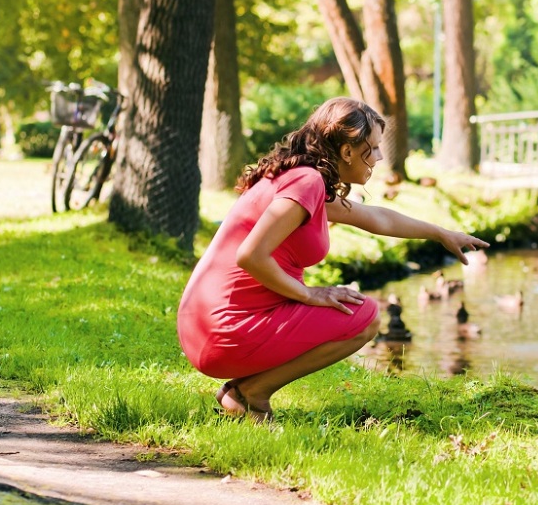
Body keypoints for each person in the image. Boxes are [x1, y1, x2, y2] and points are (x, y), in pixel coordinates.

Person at [177, 97, 489, 422]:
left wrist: (441, 234)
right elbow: (250, 255)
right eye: (375, 147)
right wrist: (309, 294)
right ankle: (249, 394)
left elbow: (377, 218)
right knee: (363, 315)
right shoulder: (306, 182)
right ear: (347, 151)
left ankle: (245, 391)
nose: (380, 156)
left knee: (358, 309)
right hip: (223, 330)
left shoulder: (304, 180)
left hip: (204, 326)